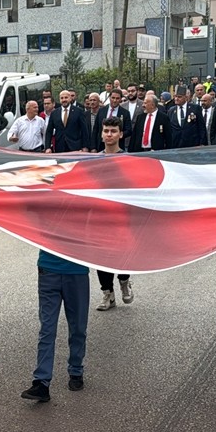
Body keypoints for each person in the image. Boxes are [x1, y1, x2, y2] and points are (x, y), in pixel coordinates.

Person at [20, 128, 104, 403]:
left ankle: (76, 370)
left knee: (77, 326)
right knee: (47, 328)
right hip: (48, 268)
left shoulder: (86, 200)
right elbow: (20, 201)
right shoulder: (43, 195)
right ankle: (41, 381)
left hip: (77, 271)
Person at [94, 118, 134, 310]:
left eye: (113, 131)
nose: (109, 134)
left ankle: (124, 281)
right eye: (106, 131)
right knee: (101, 255)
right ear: (101, 134)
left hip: (121, 217)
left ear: (120, 134)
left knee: (122, 253)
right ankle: (107, 293)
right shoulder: (93, 161)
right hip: (100, 217)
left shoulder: (128, 160)